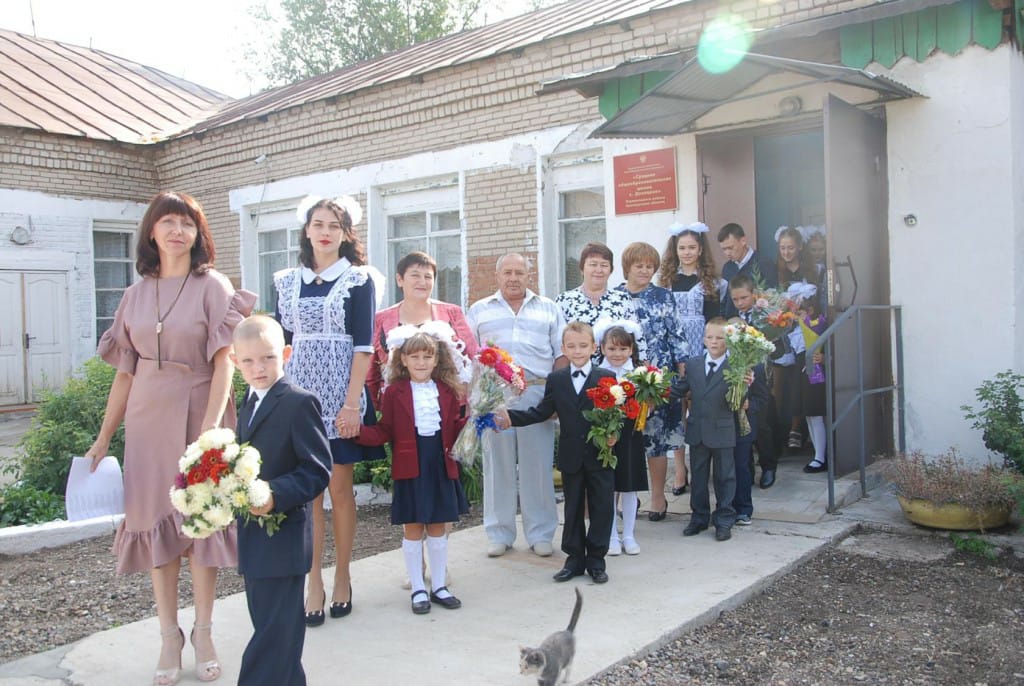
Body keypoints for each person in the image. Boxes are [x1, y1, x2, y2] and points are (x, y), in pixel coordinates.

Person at [86, 190, 255, 685]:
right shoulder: (134, 295)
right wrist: (103, 438)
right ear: (152, 232)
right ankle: (168, 634)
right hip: (146, 421)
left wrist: (211, 425)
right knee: (156, 525)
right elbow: (124, 373)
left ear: (198, 234)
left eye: (186, 223)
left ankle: (203, 630)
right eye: (167, 223)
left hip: (200, 412)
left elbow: (227, 360)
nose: (177, 231)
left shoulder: (213, 286)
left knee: (200, 525)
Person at [273, 195, 381, 627]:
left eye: (334, 226)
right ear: (306, 230)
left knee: (339, 489)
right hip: (298, 393)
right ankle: (313, 579)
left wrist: (352, 403)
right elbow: (277, 343)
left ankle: (343, 576)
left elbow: (363, 346)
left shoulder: (358, 280)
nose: (325, 232)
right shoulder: (285, 281)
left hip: (341, 394)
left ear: (345, 233)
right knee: (308, 495)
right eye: (318, 224)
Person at [231, 316, 332, 686]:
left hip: (284, 539)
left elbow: (317, 470)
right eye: (248, 361)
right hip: (254, 540)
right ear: (234, 361)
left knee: (273, 640)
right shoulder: (248, 400)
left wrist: (275, 495)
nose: (259, 368)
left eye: (268, 358)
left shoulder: (299, 403)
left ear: (286, 354)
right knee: (277, 637)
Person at [356, 328, 469, 614]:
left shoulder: (447, 390)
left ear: (436, 360)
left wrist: (477, 422)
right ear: (403, 360)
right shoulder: (394, 393)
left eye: (427, 357)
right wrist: (357, 433)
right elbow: (386, 429)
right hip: (411, 465)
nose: (421, 362)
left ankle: (440, 585)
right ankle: (418, 588)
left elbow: (456, 427)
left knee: (438, 526)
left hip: (440, 463)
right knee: (413, 527)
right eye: (414, 356)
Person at [499, 322, 617, 584]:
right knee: (573, 507)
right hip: (571, 454)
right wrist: (510, 417)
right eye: (571, 346)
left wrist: (614, 435)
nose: (577, 351)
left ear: (594, 347)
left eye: (583, 346)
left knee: (602, 507)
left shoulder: (606, 377)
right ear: (563, 349)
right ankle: (574, 559)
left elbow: (616, 416)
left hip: (600, 455)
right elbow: (542, 412)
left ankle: (597, 560)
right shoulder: (557, 379)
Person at [466, 253, 564, 558]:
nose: (513, 278)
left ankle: (541, 533)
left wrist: (558, 397)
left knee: (538, 464)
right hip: (494, 397)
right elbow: (468, 356)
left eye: (519, 273)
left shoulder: (548, 308)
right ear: (497, 277)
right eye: (507, 272)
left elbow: (560, 354)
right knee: (498, 466)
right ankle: (499, 533)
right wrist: (473, 399)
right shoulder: (479, 310)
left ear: (528, 276)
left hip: (537, 394)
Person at [615, 241, 687, 522]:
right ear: (627, 268)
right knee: (624, 440)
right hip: (624, 381)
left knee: (656, 440)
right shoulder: (615, 297)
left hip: (658, 380)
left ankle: (658, 497)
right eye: (639, 266)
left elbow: (677, 335)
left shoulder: (663, 296)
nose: (645, 271)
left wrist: (681, 375)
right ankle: (624, 494)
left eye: (649, 266)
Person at [658, 222, 728, 499]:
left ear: (700, 250)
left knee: (697, 404)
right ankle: (679, 469)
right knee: (677, 407)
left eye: (692, 248)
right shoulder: (667, 279)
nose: (686, 252)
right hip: (673, 348)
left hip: (701, 346)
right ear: (675, 250)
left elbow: (715, 321)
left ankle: (702, 464)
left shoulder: (712, 281)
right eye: (682, 248)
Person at [366, 250, 476, 406]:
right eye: (415, 275)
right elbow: (370, 374)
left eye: (428, 277)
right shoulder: (380, 319)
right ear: (400, 279)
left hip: (448, 407)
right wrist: (370, 411)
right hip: (397, 407)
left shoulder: (453, 313)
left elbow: (474, 358)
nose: (422, 282)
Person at [674, 318, 746, 542]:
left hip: (723, 430)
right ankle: (699, 517)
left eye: (720, 338)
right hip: (698, 430)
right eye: (710, 337)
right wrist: (652, 388)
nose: (714, 342)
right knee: (698, 476)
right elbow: (681, 388)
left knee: (725, 477)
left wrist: (745, 387)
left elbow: (739, 400)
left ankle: (724, 519)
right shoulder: (694, 364)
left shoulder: (736, 366)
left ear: (728, 340)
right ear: (703, 339)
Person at [593, 320, 648, 555]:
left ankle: (629, 535)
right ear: (602, 348)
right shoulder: (596, 373)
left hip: (630, 436)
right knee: (608, 486)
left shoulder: (639, 375)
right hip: (605, 437)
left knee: (628, 486)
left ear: (631, 350)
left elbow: (647, 405)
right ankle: (611, 535)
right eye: (612, 349)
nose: (618, 354)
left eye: (623, 349)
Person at [729, 274, 782, 490]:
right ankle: (747, 470)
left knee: (761, 424)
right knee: (742, 424)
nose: (740, 303)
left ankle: (768, 465)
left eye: (744, 298)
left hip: (760, 371)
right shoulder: (731, 318)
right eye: (735, 300)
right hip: (738, 373)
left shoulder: (765, 315)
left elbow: (778, 341)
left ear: (754, 295)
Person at [556, 242, 646, 361]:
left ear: (610, 270)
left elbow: (637, 339)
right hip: (578, 373)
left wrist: (643, 371)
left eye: (604, 265)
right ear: (582, 268)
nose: (599, 270)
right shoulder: (564, 300)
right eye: (593, 264)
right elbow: (558, 344)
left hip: (616, 374)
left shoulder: (622, 299)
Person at [723, 317, 770, 527]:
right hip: (721, 423)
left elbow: (763, 398)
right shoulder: (720, 362)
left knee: (741, 465)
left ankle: (743, 508)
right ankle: (725, 507)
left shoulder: (755, 366)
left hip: (743, 424)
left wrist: (751, 404)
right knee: (725, 467)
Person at [718, 222, 778, 319]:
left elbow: (773, 297)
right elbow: (725, 300)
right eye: (724, 249)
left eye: (730, 248)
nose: (727, 253)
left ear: (743, 241)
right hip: (733, 325)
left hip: (759, 324)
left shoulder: (763, 263)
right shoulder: (727, 268)